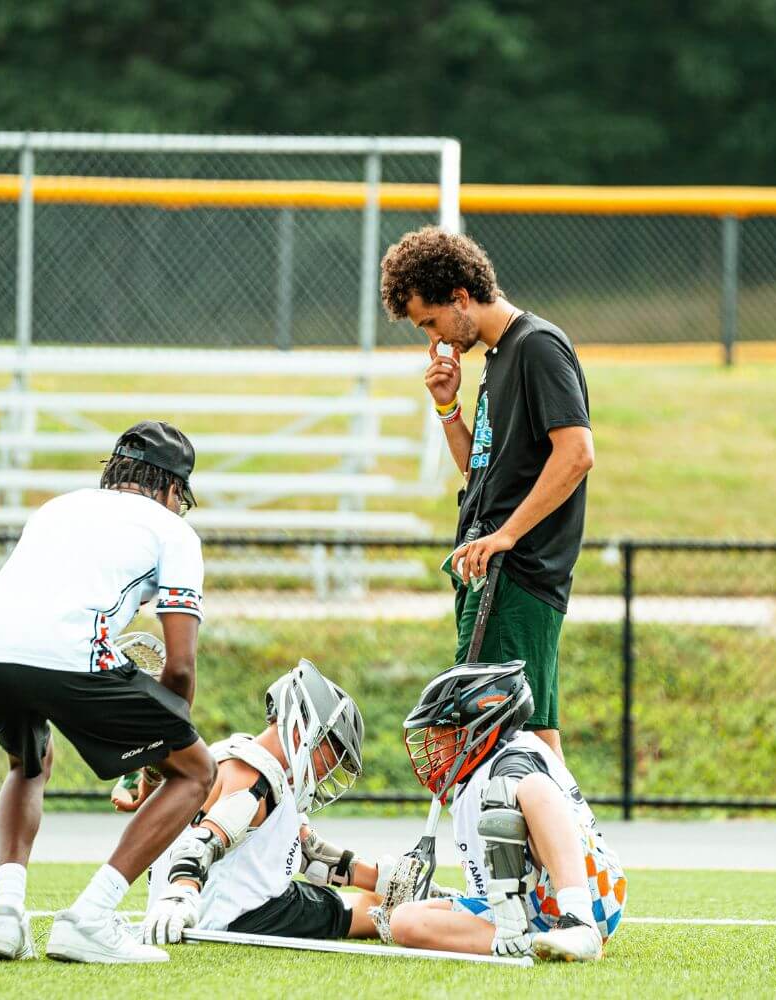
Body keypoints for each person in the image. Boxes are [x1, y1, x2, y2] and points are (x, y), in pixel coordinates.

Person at [0, 420, 217, 965]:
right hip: (71, 654)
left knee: (28, 763)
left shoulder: (56, 507)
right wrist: (161, 756)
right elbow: (179, 667)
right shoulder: (174, 532)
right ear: (173, 488)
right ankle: (92, 917)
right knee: (196, 771)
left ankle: (4, 915)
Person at [380, 227, 595, 758]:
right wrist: (448, 407)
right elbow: (481, 472)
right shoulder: (498, 358)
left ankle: (567, 842)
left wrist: (505, 535)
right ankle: (574, 841)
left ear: (459, 297)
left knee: (499, 743)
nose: (433, 338)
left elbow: (577, 454)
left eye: (430, 321)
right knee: (533, 741)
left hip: (516, 573)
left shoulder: (536, 346)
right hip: (494, 571)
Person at [379, 662, 626, 963]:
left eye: (440, 731)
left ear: (477, 728)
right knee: (404, 921)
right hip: (524, 908)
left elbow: (517, 791)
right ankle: (532, 944)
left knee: (532, 788)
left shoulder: (517, 755)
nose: (433, 745)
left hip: (585, 892)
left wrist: (514, 912)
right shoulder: (468, 779)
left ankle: (580, 924)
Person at [136, 660, 393, 945]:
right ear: (302, 732)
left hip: (231, 909)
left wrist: (390, 882)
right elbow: (204, 842)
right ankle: (430, 916)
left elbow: (313, 854)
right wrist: (181, 893)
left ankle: (416, 900)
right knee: (379, 912)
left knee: (380, 901)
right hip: (233, 916)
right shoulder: (254, 774)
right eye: (332, 755)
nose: (328, 771)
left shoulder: (243, 761)